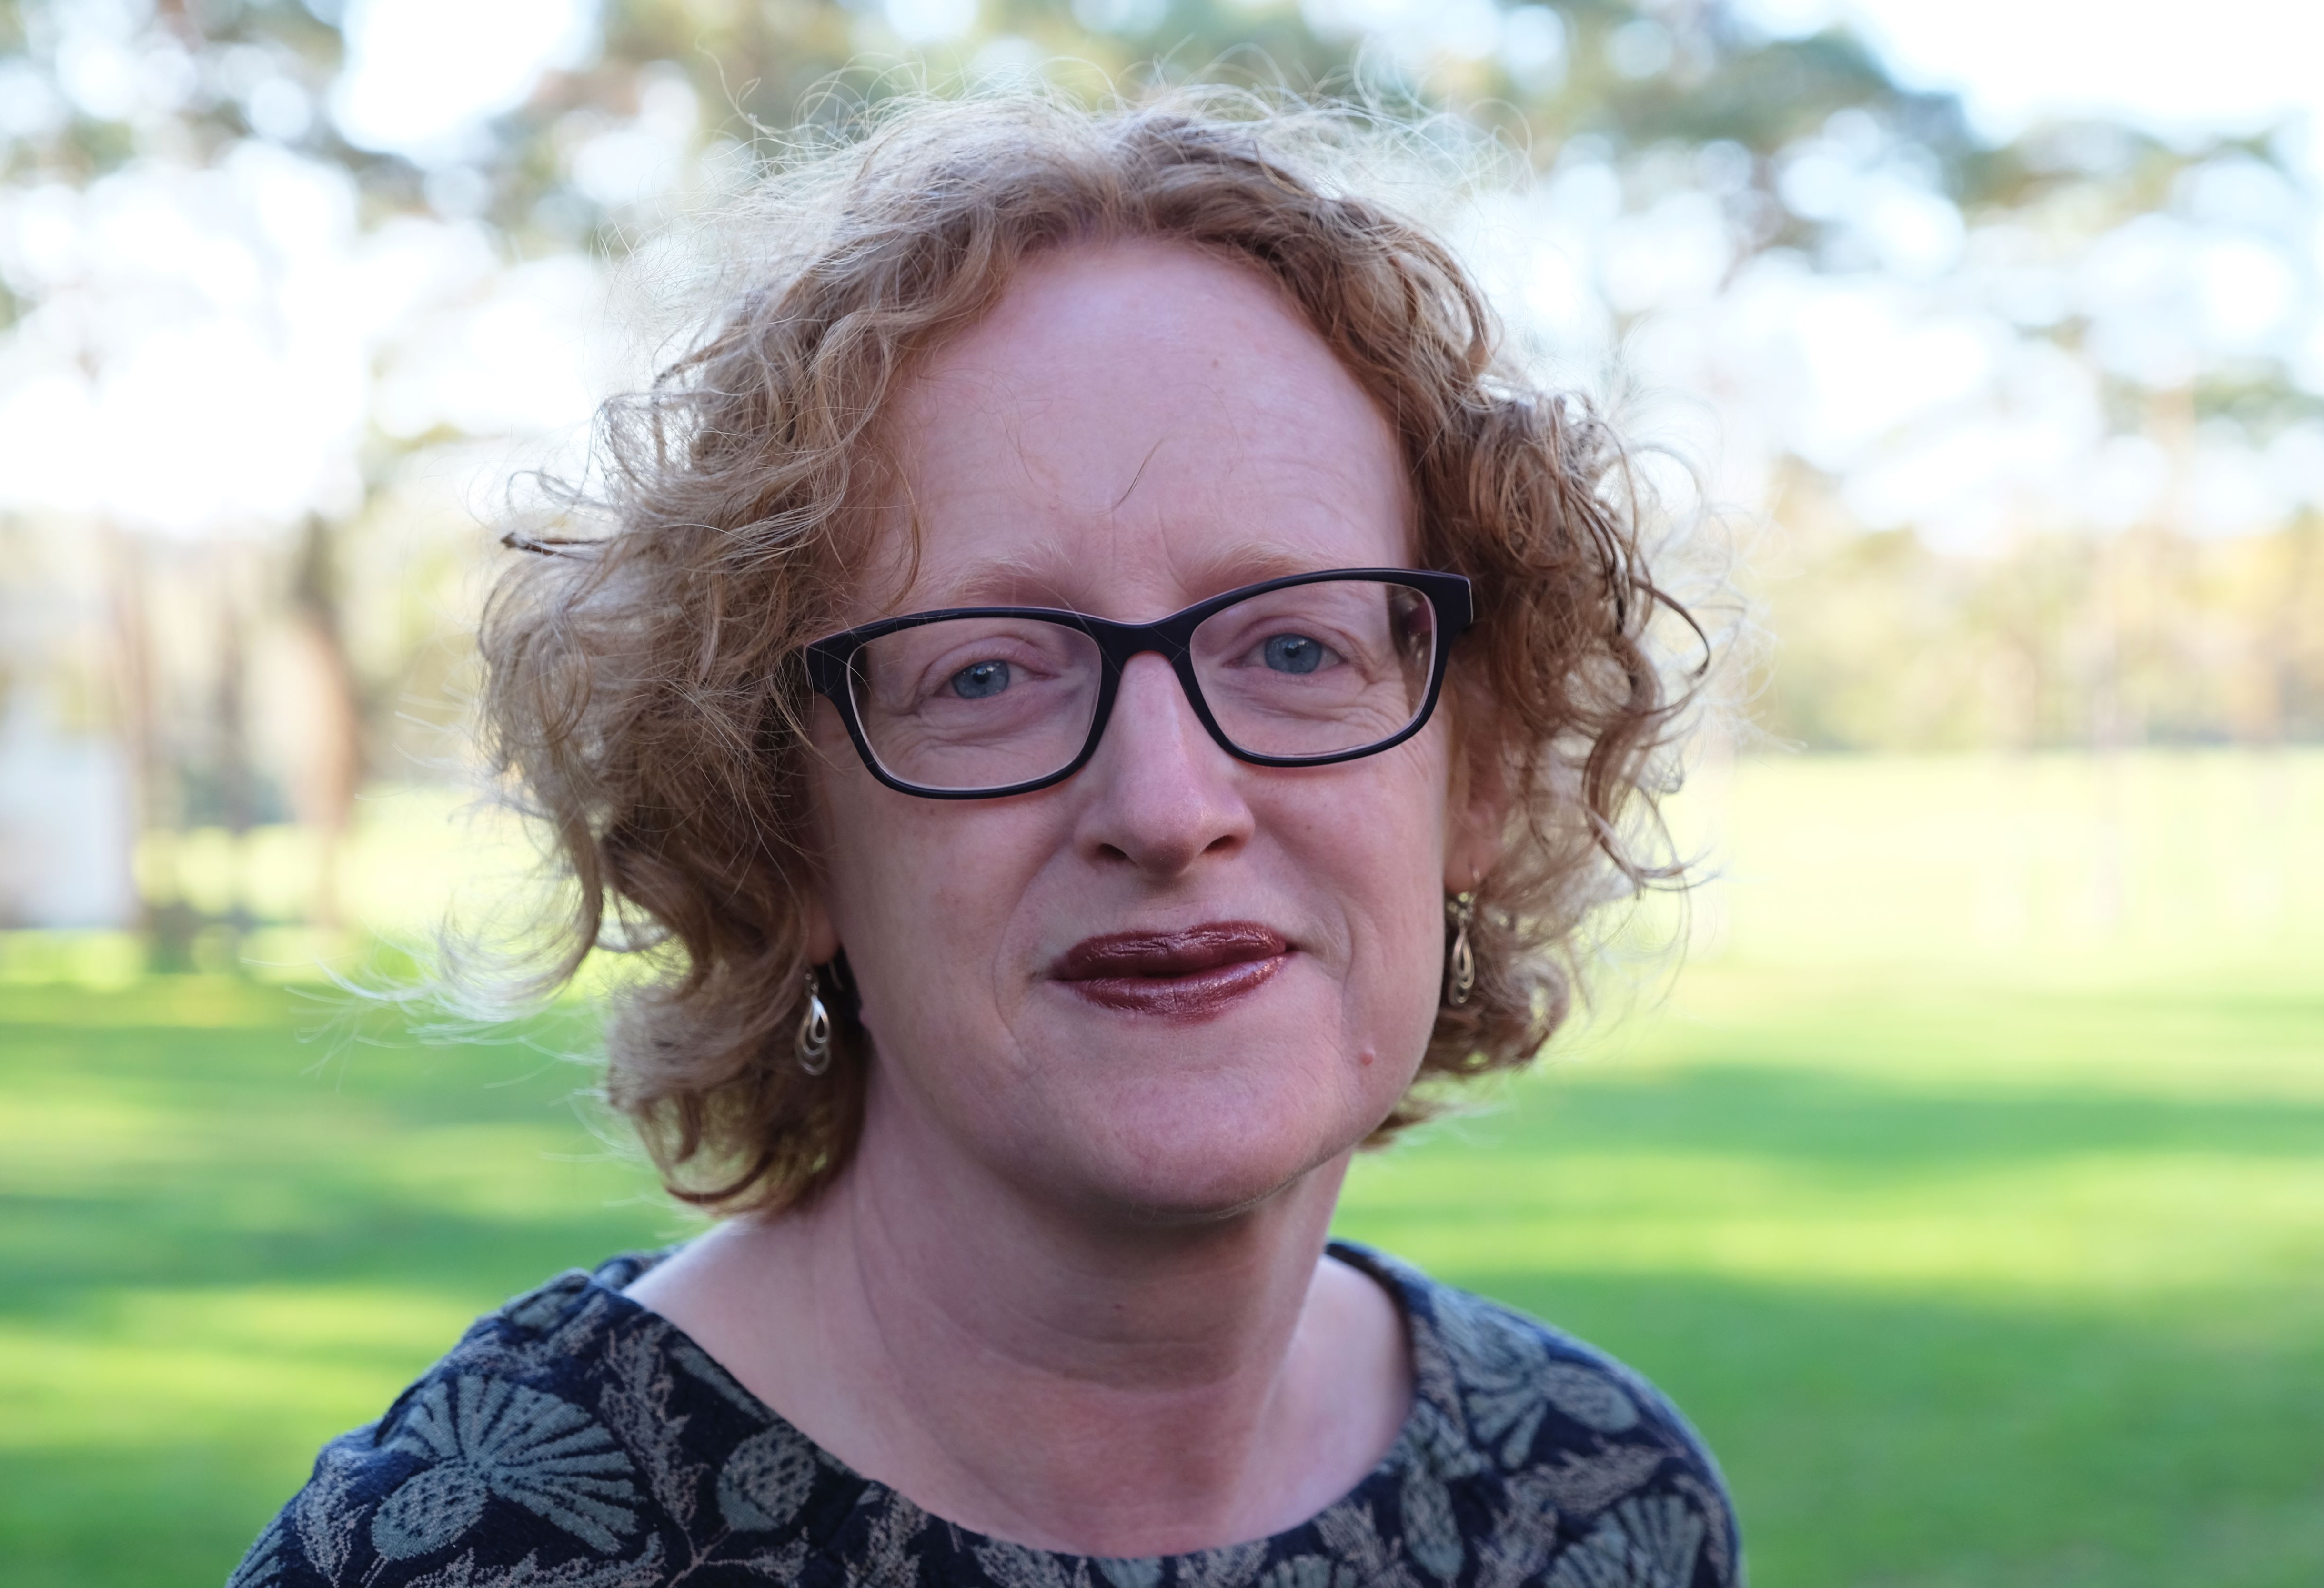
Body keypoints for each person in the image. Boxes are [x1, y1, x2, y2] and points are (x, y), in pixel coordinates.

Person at [234, 92, 1735, 1588]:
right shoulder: (469, 1552)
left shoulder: (1597, 1502)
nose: (1168, 808)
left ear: (1473, 773)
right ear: (786, 832)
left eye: (1295, 650)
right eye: (989, 674)